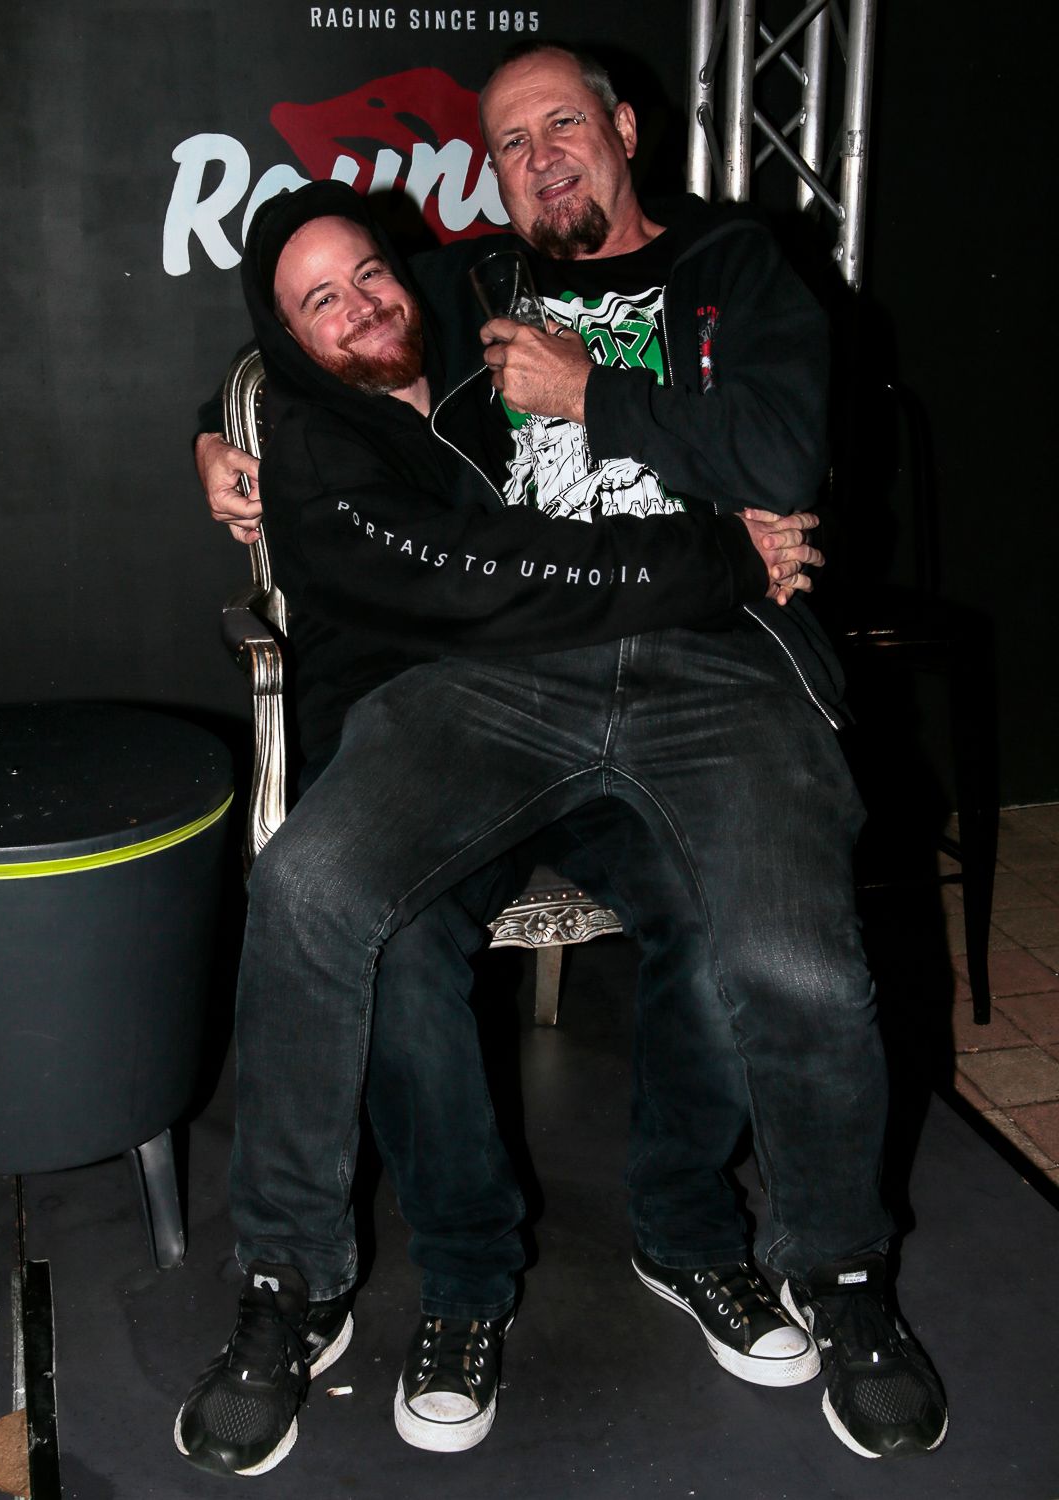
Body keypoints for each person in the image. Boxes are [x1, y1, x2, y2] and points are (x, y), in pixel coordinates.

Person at [178, 44, 947, 1476]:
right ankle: (291, 1281)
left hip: (717, 663)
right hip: (504, 677)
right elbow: (325, 344)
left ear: (624, 128)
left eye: (562, 125)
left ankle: (822, 1267)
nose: (538, 158)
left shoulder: (742, 269)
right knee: (312, 889)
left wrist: (598, 394)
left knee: (784, 951)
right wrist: (215, 446)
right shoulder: (472, 281)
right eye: (510, 142)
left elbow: (784, 456)